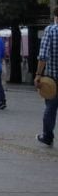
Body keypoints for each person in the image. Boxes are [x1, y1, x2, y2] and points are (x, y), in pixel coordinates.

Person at [34, 8, 58, 146]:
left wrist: (38, 74)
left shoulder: (51, 30)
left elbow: (43, 56)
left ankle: (47, 136)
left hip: (53, 79)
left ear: (56, 16)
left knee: (51, 107)